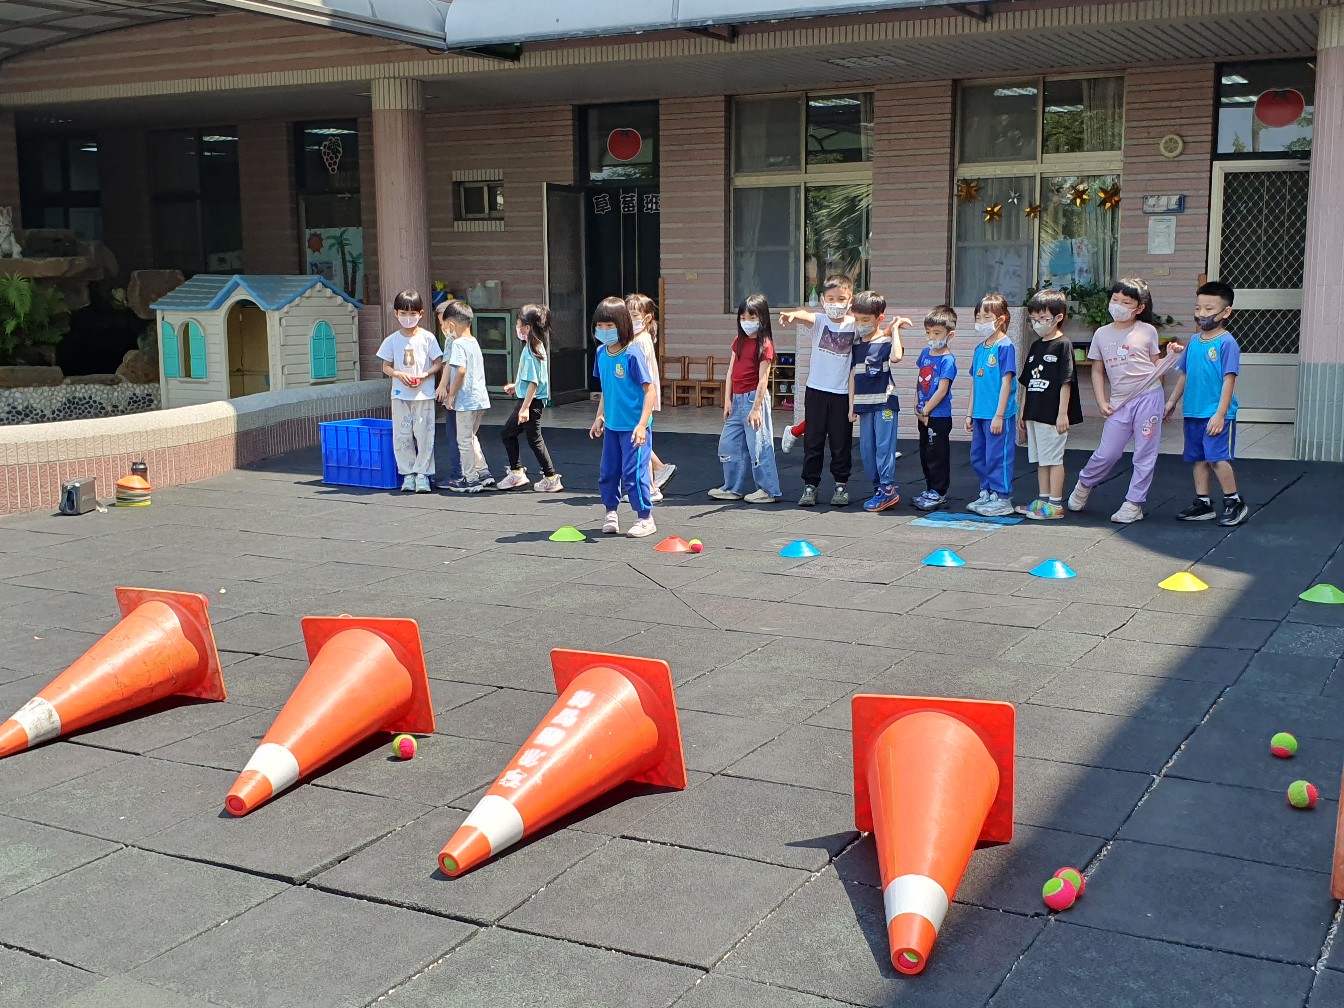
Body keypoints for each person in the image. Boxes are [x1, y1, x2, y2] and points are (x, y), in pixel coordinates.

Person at [1068, 277, 1183, 524]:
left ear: (1139, 308)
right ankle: (1084, 483)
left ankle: (1134, 503)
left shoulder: (1147, 330)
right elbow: (1097, 370)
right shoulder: (1101, 334)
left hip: (1149, 397)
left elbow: (1155, 366)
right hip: (1119, 402)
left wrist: (1171, 356)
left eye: (1126, 302)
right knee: (1107, 453)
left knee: (1145, 453)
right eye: (1115, 299)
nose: (1118, 305)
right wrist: (1101, 401)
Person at [1164, 281, 1249, 526]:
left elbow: (1229, 380)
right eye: (1198, 308)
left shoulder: (1227, 343)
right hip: (1194, 412)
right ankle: (1203, 503)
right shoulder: (1193, 341)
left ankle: (1234, 501)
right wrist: (1171, 401)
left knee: (1217, 458)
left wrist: (1220, 414)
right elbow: (1185, 374)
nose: (1202, 314)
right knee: (1198, 458)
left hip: (1215, 414)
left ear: (1226, 312)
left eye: (1209, 309)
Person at [780, 274, 857, 507]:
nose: (835, 303)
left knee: (841, 443)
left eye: (841, 299)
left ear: (850, 300)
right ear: (823, 300)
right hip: (816, 391)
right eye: (831, 299)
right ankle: (810, 486)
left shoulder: (854, 325)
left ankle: (841, 486)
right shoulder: (820, 321)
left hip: (842, 394)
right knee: (813, 442)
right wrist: (794, 315)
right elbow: (806, 316)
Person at [589, 296, 658, 538]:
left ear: (622, 325)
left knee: (633, 473)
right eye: (600, 326)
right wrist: (600, 417)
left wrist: (642, 425)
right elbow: (607, 390)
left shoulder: (632, 353)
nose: (604, 330)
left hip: (633, 426)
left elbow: (650, 391)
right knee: (608, 471)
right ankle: (611, 512)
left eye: (609, 325)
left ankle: (645, 517)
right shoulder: (601, 353)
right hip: (613, 426)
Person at [709, 294, 782, 503]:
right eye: (742, 318)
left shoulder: (765, 344)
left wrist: (756, 408)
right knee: (728, 443)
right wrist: (727, 400)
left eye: (752, 318)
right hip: (737, 399)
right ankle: (732, 487)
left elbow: (763, 379)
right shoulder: (738, 341)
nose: (746, 322)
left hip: (753, 399)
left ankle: (768, 490)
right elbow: (731, 371)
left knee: (759, 445)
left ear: (762, 318)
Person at [1016, 290, 1082, 520]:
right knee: (1041, 459)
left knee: (1053, 459)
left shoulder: (1063, 345)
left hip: (1052, 414)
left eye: (1043, 318)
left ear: (1058, 317)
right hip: (1034, 412)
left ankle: (1055, 503)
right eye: (1033, 319)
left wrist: (1063, 413)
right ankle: (1043, 499)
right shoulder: (1036, 346)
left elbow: (1066, 381)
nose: (1038, 324)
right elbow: (1027, 382)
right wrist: (1023, 410)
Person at [376, 289, 442, 493]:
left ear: (421, 314)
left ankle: (423, 473)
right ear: (396, 313)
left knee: (424, 435)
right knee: (402, 435)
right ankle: (408, 473)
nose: (407, 318)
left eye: (412, 313)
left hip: (424, 395)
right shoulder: (392, 340)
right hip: (400, 396)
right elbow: (386, 366)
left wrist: (424, 375)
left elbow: (438, 362)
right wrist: (398, 374)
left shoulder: (428, 338)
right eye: (403, 313)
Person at [496, 303, 562, 493]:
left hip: (531, 402)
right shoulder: (535, 346)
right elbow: (531, 379)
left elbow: (534, 382)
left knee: (527, 438)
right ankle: (522, 473)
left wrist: (524, 408)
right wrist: (516, 386)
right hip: (531, 401)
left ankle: (547, 477)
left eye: (519, 323)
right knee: (516, 435)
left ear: (527, 327)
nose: (517, 326)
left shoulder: (532, 349)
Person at [847, 290, 903, 512]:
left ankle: (888, 488)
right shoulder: (856, 345)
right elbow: (852, 376)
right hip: (864, 404)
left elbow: (897, 356)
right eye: (857, 320)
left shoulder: (887, 342)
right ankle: (879, 488)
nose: (860, 325)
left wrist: (894, 329)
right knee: (867, 449)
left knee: (883, 446)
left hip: (884, 404)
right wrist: (851, 406)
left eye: (865, 320)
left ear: (880, 318)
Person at [964, 293, 1018, 517]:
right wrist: (969, 413)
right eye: (978, 317)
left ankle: (1002, 497)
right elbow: (975, 383)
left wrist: (999, 415)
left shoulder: (1005, 346)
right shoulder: (979, 349)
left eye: (986, 317)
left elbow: (1007, 382)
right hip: (980, 413)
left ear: (1001, 319)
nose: (981, 322)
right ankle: (987, 492)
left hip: (997, 415)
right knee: (979, 456)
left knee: (998, 456)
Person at [435, 300, 493, 493]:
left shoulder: (458, 344)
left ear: (451, 324)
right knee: (470, 437)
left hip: (466, 401)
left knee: (463, 441)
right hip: (480, 399)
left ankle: (470, 479)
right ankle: (482, 472)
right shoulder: (474, 342)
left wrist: (451, 395)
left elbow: (460, 370)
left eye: (444, 324)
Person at [625, 293, 675, 500]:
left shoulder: (642, 341)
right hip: (636, 399)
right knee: (637, 441)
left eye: (634, 315)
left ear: (646, 318)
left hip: (640, 399)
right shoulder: (637, 339)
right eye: (627, 314)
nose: (629, 319)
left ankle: (650, 487)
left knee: (639, 442)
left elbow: (643, 375)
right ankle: (658, 472)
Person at [911, 306, 958, 511]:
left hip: (938, 416)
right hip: (924, 413)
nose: (931, 337)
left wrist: (926, 410)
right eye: (928, 332)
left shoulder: (947, 360)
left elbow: (942, 389)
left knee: (937, 455)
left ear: (950, 335)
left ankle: (939, 492)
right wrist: (917, 404)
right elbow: (920, 380)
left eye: (937, 333)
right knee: (925, 454)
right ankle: (930, 489)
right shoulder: (925, 353)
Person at [432, 298, 463, 489]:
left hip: (457, 396)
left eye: (442, 322)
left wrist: (444, 387)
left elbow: (450, 365)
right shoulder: (468, 340)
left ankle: (459, 474)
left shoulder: (454, 341)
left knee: (455, 436)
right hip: (467, 397)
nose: (442, 327)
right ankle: (478, 472)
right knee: (466, 437)